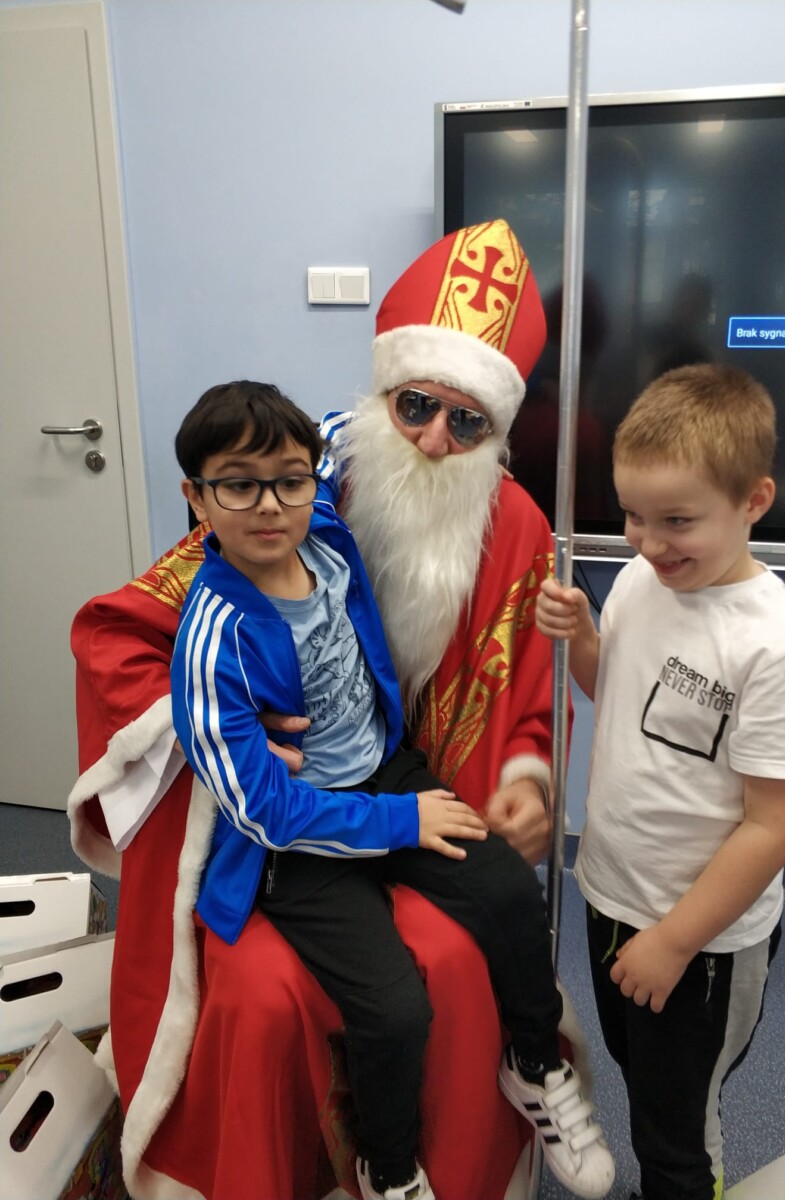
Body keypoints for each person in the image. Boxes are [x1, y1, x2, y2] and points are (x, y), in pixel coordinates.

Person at [66, 218, 593, 1200]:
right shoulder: (303, 481)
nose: (432, 440)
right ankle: (339, 1169)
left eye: (467, 423)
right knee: (271, 996)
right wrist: (216, 730)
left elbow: (523, 685)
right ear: (381, 393)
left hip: (404, 779)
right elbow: (127, 630)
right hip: (289, 818)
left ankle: (510, 1095)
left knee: (475, 937)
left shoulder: (516, 523)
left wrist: (525, 777)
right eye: (416, 406)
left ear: (497, 435)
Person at [168, 379, 613, 1200]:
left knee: (512, 894)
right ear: (196, 499)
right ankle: (390, 1167)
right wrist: (398, 821)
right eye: (237, 487)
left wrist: (440, 416)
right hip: (298, 842)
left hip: (382, 768)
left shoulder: (324, 530)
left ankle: (533, 1062)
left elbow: (370, 430)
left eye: (288, 482)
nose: (269, 506)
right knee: (396, 1009)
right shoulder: (212, 639)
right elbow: (263, 812)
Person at [535, 363, 785, 1200]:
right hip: (611, 896)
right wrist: (584, 639)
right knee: (642, 1085)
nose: (647, 540)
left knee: (677, 1135)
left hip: (699, 943)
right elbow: (617, 694)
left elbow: (774, 826)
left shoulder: (782, 646)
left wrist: (672, 941)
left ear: (753, 501)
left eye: (677, 520)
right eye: (633, 514)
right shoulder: (644, 579)